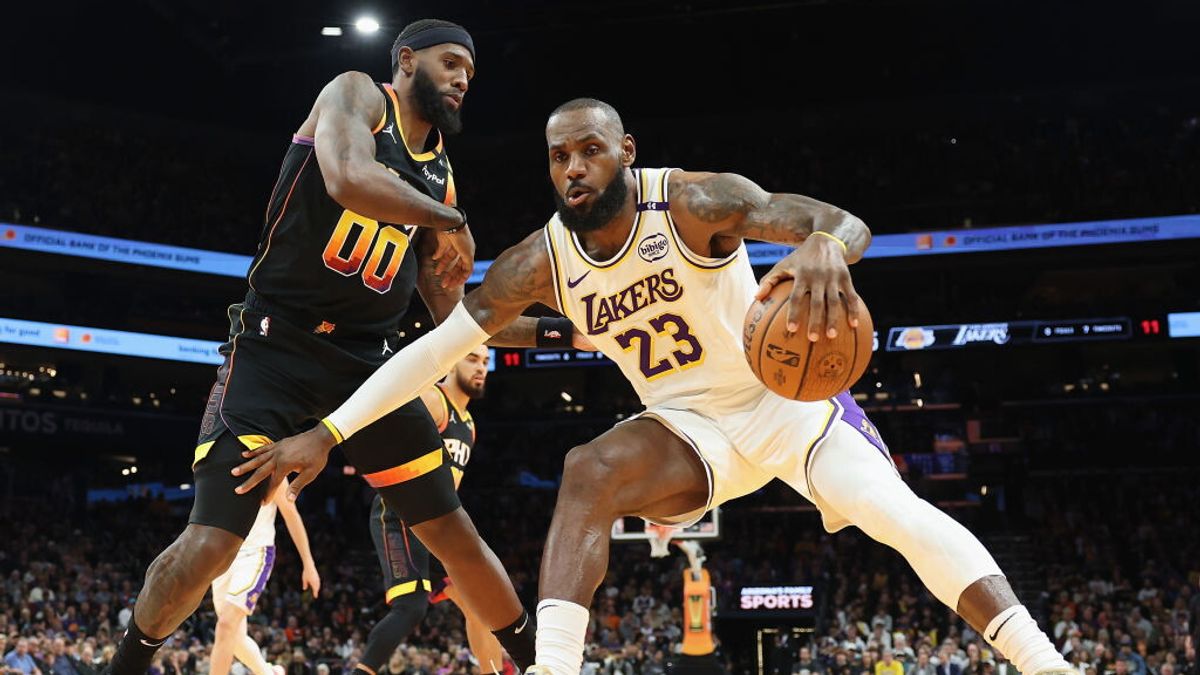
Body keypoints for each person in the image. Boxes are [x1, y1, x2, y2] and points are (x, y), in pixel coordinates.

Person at [232, 98, 1075, 675]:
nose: (573, 167)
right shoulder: (539, 262)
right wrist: (331, 432)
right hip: (686, 428)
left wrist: (826, 245)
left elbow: (836, 221)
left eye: (590, 150)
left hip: (786, 407)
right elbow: (429, 353)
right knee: (587, 468)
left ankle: (1047, 662)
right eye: (559, 155)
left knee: (900, 519)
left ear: (624, 152)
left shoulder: (696, 203)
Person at [106, 18, 576, 675]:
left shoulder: (441, 174)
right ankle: (124, 664)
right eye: (449, 62)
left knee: (455, 535)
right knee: (211, 541)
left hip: (367, 365)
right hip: (276, 347)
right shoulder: (357, 95)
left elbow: (460, 320)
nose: (463, 77)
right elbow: (347, 177)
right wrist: (451, 219)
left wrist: (575, 329)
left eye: (470, 69)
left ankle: (542, 664)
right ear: (406, 60)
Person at [355, 347, 507, 675]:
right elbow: (380, 425)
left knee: (485, 608)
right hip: (401, 516)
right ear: (451, 363)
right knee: (411, 608)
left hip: (438, 525)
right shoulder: (434, 401)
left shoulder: (468, 423)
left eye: (485, 361)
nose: (481, 367)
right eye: (472, 359)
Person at [210, 478, 321, 675]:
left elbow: (291, 514)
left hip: (254, 553)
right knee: (235, 637)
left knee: (226, 624)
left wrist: (308, 563)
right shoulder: (222, 461)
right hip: (222, 556)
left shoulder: (272, 465)